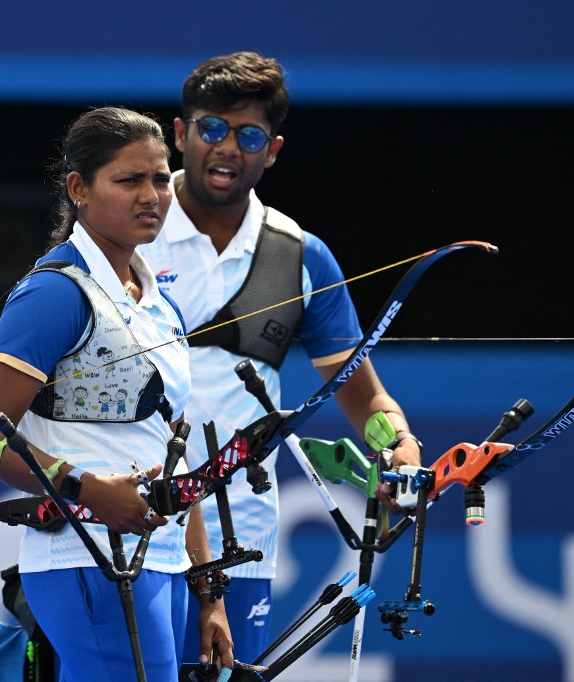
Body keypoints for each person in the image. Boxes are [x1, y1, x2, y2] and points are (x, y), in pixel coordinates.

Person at [136, 51, 424, 663]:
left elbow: (361, 392)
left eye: (249, 135)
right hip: (133, 520)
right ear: (181, 133)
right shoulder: (129, 228)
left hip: (241, 530)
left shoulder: (300, 256)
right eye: (212, 128)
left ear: (273, 149)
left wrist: (396, 443)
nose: (227, 148)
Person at [0, 106, 233, 681]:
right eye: (129, 180)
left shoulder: (162, 306)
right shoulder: (53, 296)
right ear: (79, 189)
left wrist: (208, 592)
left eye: (160, 178)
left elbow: (174, 453)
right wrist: (84, 488)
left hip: (161, 559)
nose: (151, 195)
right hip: (82, 557)